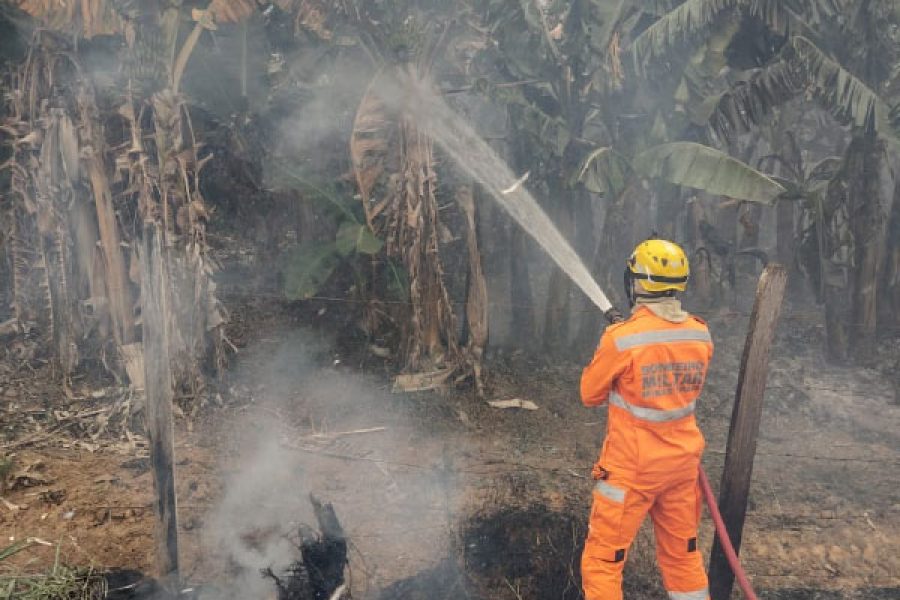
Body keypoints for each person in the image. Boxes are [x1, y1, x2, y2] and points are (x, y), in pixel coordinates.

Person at [580, 239, 713, 600]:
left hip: (631, 470)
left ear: (637, 282)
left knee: (603, 562)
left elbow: (589, 394)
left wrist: (616, 342)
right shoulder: (700, 333)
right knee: (683, 556)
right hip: (682, 467)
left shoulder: (621, 340)